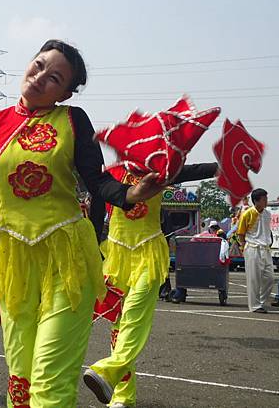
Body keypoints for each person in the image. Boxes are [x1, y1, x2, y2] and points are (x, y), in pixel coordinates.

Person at [0, 39, 166, 407]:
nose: (39, 78)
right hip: (13, 264)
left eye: (53, 78)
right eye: (38, 65)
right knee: (20, 375)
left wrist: (131, 195)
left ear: (66, 93)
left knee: (51, 377)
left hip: (66, 261)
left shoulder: (72, 120)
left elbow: (97, 181)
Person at [84, 163, 217, 408]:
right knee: (119, 325)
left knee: (134, 316)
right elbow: (94, 210)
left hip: (149, 253)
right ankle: (123, 394)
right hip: (115, 256)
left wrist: (221, 166)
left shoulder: (161, 173)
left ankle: (107, 371)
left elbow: (191, 171)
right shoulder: (109, 174)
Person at [237, 188, 273, 313]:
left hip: (265, 248)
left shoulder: (267, 214)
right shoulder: (247, 213)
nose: (266, 201)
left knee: (269, 278)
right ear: (256, 201)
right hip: (252, 248)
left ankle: (262, 302)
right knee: (254, 279)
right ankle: (255, 305)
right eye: (264, 199)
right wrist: (243, 247)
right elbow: (241, 233)